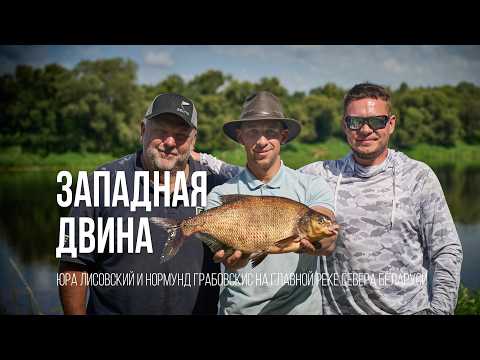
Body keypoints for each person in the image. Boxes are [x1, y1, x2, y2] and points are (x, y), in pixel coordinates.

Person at [196, 83, 463, 315]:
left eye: (377, 121)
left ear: (391, 124)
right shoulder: (324, 173)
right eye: (356, 122)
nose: (366, 129)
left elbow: (447, 249)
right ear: (344, 126)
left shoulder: (418, 176)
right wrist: (203, 158)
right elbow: (260, 180)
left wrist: (440, 309)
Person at [58, 93, 229, 314]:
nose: (169, 142)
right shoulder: (99, 183)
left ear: (193, 141)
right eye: (161, 131)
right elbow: (73, 266)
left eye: (180, 135)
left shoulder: (216, 187)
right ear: (142, 131)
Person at [206, 91, 338, 314]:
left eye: (270, 132)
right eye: (253, 132)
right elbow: (221, 253)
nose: (261, 141)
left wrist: (317, 244)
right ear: (240, 137)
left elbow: (329, 240)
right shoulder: (221, 194)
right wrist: (228, 257)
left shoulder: (312, 186)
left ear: (283, 137)